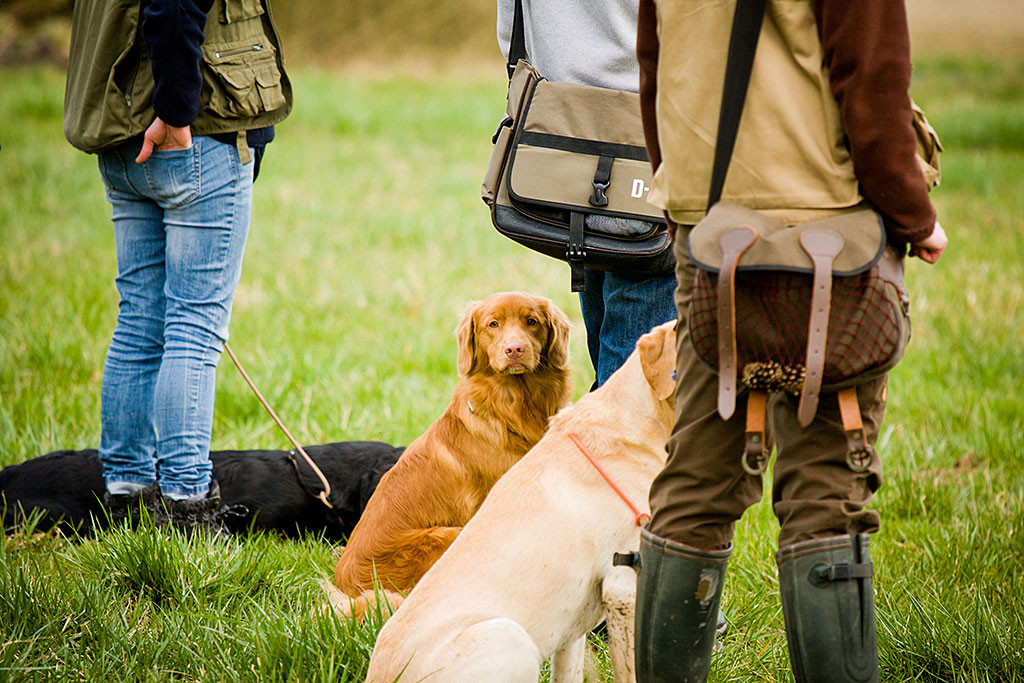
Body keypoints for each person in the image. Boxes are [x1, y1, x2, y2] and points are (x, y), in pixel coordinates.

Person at [632, 0, 948, 680]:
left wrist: (689, 204)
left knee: (693, 481)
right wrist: (914, 215)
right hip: (826, 234)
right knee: (826, 490)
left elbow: (653, 64)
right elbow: (872, 75)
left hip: (710, 230)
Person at [63, 0, 292, 530]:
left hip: (122, 136)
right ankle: (187, 509)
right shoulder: (181, 119)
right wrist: (175, 111)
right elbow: (173, 6)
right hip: (188, 135)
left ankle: (126, 494)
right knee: (193, 328)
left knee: (140, 321)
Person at [496, 0, 677, 387]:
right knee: (636, 393)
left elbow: (510, 25)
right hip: (649, 128)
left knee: (601, 276)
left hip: (561, 136)